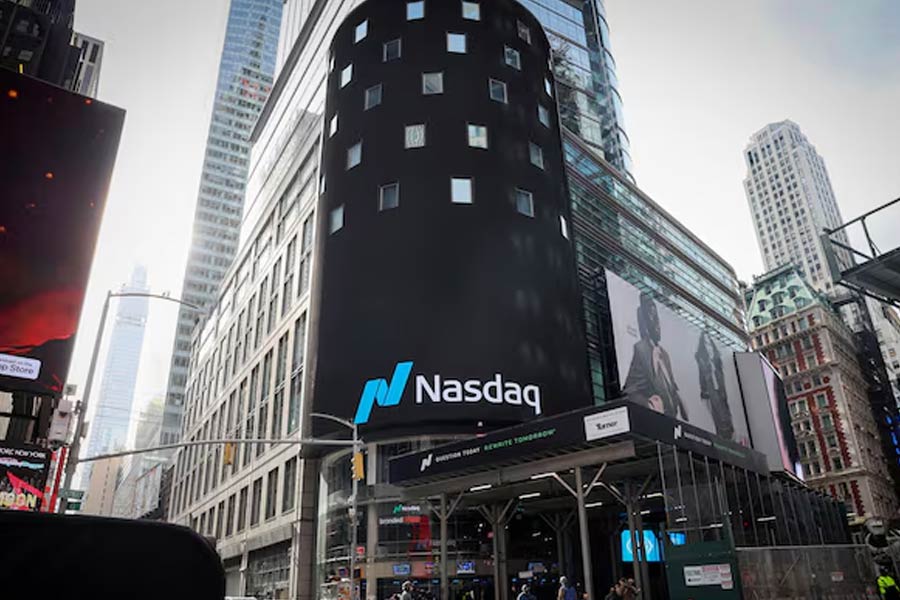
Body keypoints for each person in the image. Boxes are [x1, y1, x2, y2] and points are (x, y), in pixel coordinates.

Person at [623, 293, 688, 420]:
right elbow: (629, 391)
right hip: (658, 423)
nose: (657, 324)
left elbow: (671, 386)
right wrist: (648, 405)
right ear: (644, 321)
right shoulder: (641, 349)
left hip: (675, 423)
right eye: (652, 317)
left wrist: (680, 400)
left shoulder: (664, 354)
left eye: (657, 317)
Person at [696, 330, 734, 440]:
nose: (709, 347)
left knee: (725, 410)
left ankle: (728, 432)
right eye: (706, 344)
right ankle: (723, 434)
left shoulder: (717, 361)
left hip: (720, 391)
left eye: (710, 344)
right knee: (719, 415)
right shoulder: (701, 360)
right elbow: (701, 377)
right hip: (711, 391)